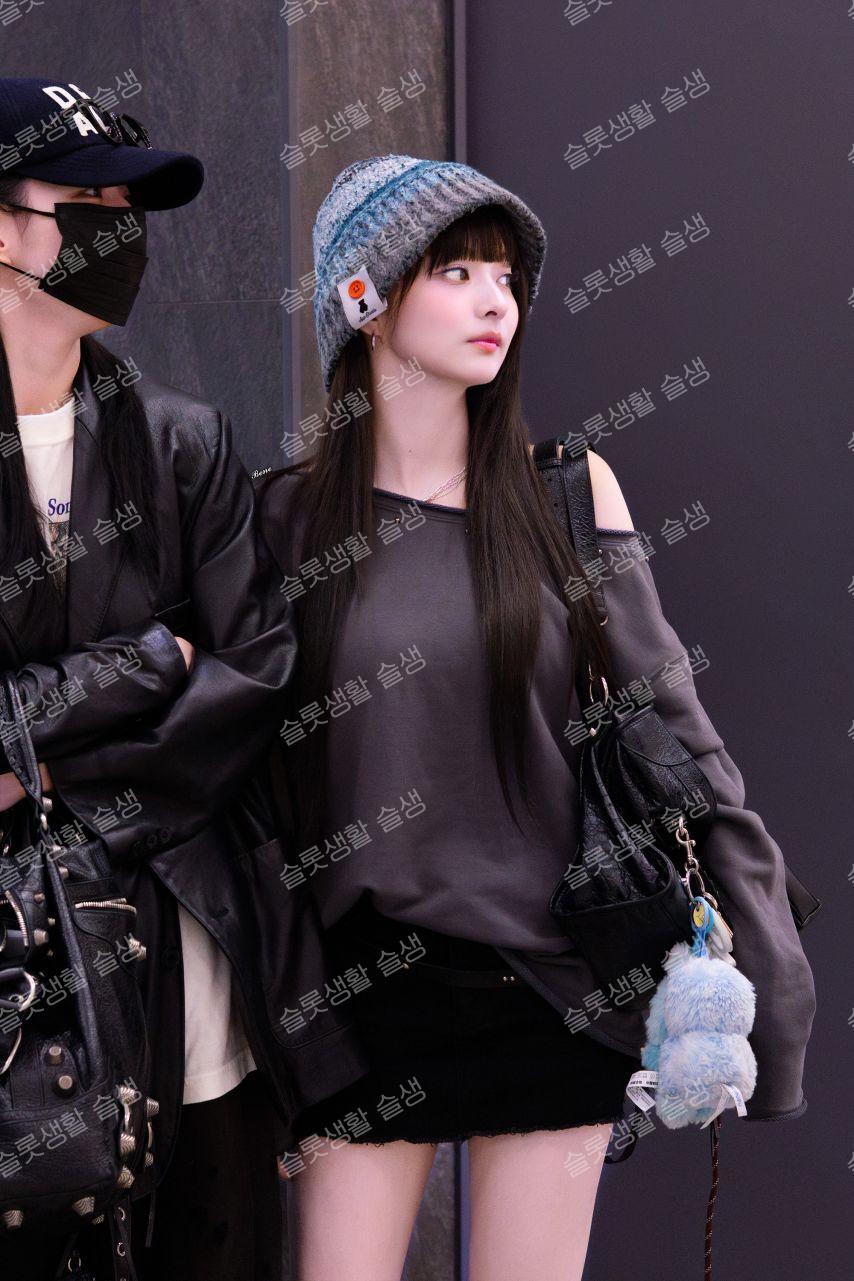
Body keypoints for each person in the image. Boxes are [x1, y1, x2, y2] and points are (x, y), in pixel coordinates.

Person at [255, 154, 817, 1281]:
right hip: (360, 995)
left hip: (556, 984)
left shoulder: (565, 491)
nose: (493, 303)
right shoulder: (285, 522)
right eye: (454, 271)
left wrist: (764, 955)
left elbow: (675, 732)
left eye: (506, 278)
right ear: (363, 300)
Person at [0, 78, 368, 1280]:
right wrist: (148, 660)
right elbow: (191, 668)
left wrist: (41, 774)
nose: (122, 233)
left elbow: (252, 678)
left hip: (184, 958)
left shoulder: (179, 439)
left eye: (132, 209)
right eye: (89, 203)